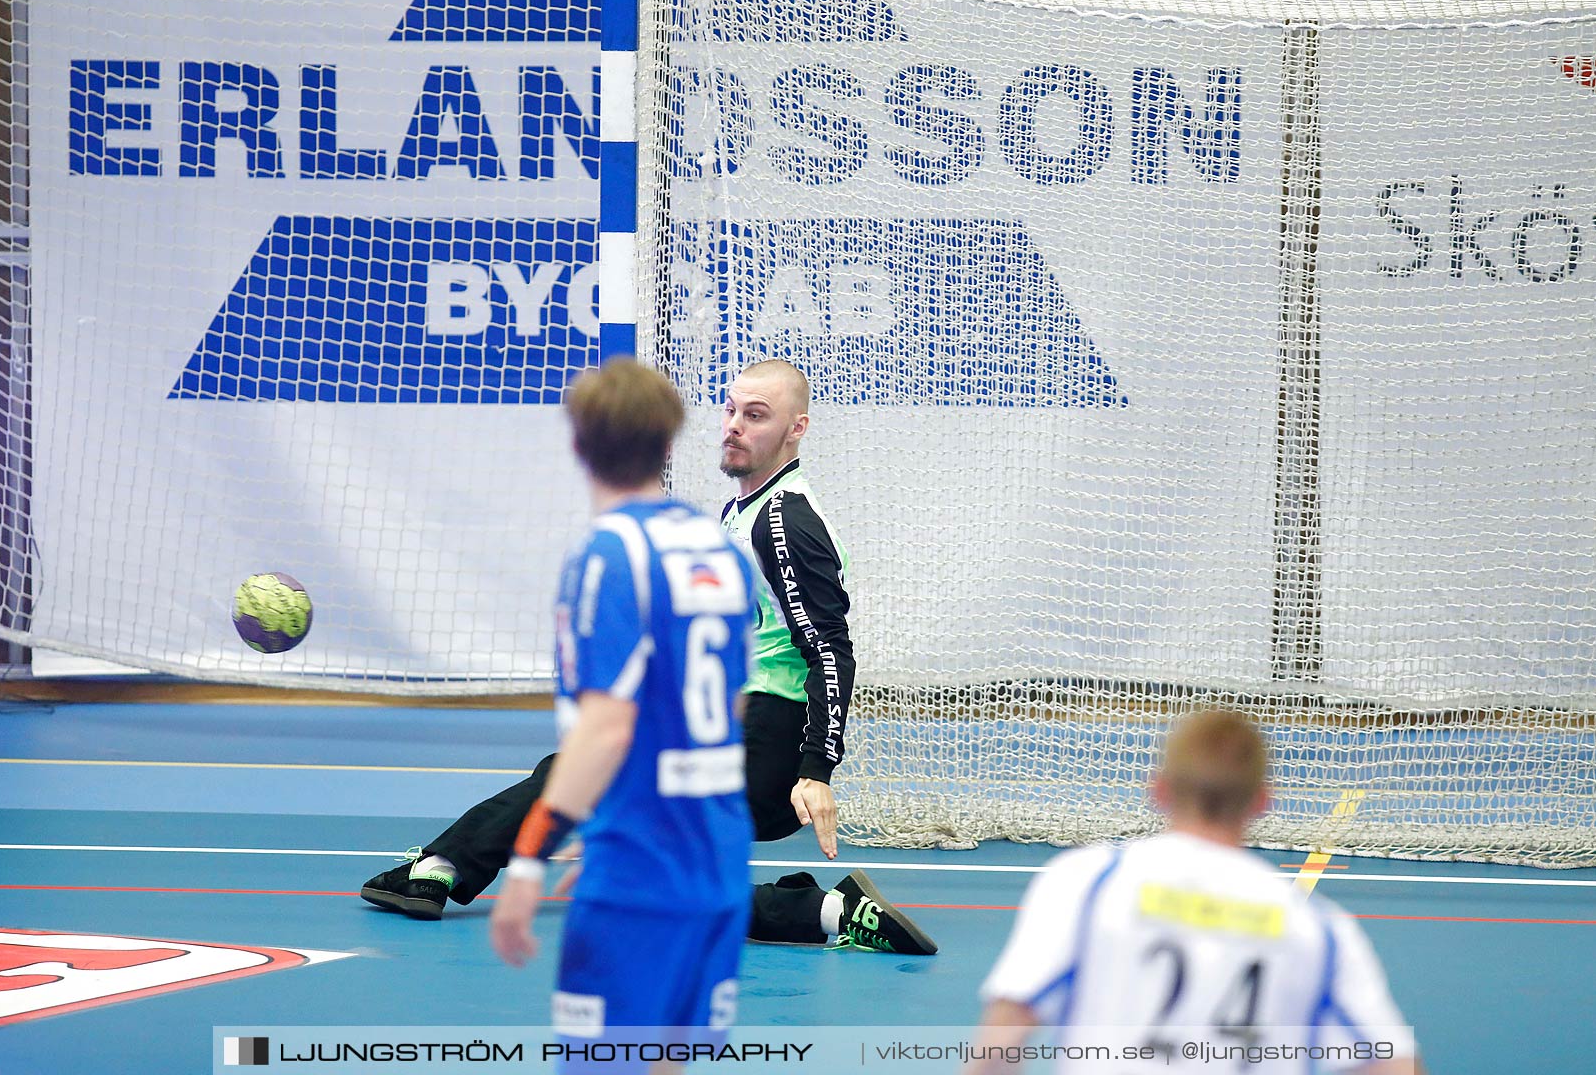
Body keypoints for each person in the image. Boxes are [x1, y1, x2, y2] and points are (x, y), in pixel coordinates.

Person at [364, 358, 936, 956]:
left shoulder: (783, 521)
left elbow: (829, 646)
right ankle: (828, 910)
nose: (735, 425)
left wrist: (817, 767)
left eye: (757, 416)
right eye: (732, 409)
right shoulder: (744, 510)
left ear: (797, 429)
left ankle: (439, 868)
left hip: (769, 742)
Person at [485, 358, 752, 1048]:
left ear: (578, 444)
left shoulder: (607, 555)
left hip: (639, 865)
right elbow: (735, 702)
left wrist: (526, 863)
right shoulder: (717, 547)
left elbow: (605, 729)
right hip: (720, 858)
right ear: (670, 442)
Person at [968, 710, 1420, 1075]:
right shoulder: (1318, 928)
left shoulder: (1087, 881)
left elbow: (1007, 1030)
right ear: (1263, 800)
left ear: (1158, 788)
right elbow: (1391, 1063)